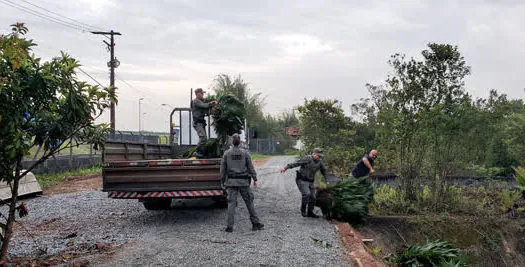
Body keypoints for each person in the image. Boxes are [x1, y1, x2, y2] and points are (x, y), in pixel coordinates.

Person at [220, 134, 264, 233]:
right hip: (244, 182)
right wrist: (255, 179)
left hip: (231, 182)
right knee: (249, 202)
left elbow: (222, 169)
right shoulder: (245, 153)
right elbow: (250, 167)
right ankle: (255, 223)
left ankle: (229, 227)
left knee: (231, 204)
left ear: (232, 142)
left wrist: (222, 182)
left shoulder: (227, 153)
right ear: (240, 142)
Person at [280, 148, 327, 218]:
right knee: (306, 194)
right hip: (302, 180)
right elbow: (296, 163)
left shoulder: (319, 162)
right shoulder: (307, 158)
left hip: (310, 181)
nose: (320, 157)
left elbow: (324, 171)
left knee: (313, 197)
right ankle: (303, 210)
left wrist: (327, 180)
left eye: (321, 156)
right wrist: (285, 168)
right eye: (318, 156)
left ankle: (310, 212)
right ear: (314, 154)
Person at [191, 88, 217, 157]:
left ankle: (202, 153)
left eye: (203, 93)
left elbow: (206, 111)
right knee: (203, 138)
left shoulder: (201, 101)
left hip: (201, 123)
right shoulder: (196, 101)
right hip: (198, 123)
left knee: (205, 139)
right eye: (201, 93)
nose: (203, 94)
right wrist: (211, 103)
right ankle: (197, 151)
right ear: (198, 94)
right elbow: (204, 105)